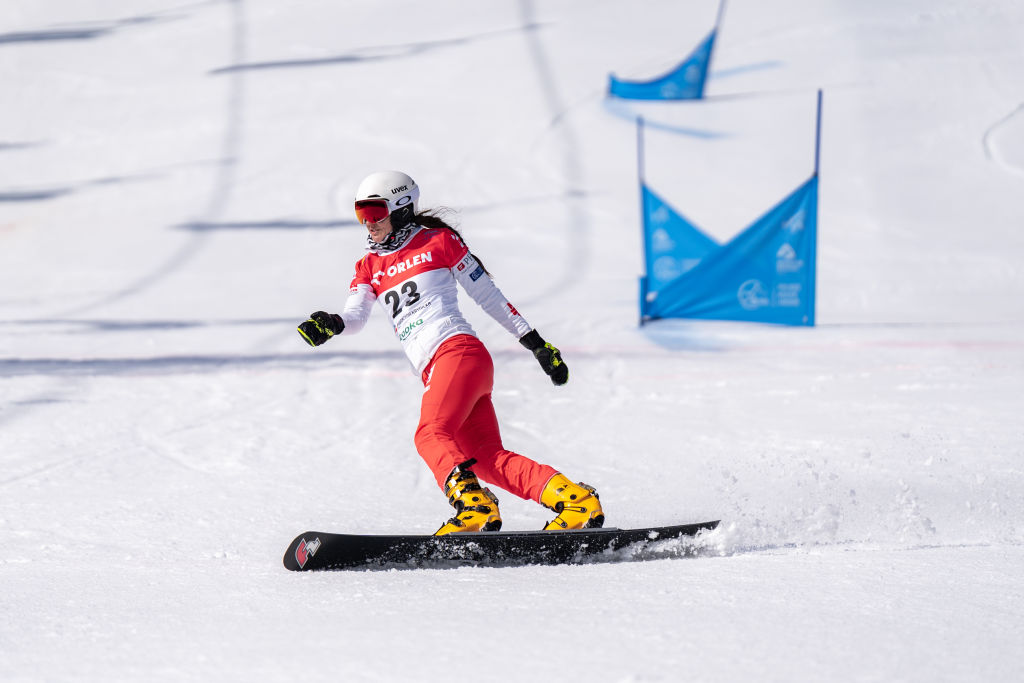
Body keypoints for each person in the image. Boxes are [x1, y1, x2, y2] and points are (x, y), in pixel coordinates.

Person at [297, 170, 604, 535]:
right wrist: (332, 323)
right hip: (443, 368)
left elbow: (489, 296)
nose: (368, 223)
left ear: (402, 209)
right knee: (486, 459)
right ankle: (574, 501)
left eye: (375, 212)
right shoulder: (369, 266)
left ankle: (475, 509)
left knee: (430, 434)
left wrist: (535, 343)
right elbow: (355, 317)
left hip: (456, 352)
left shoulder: (438, 241)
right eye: (361, 214)